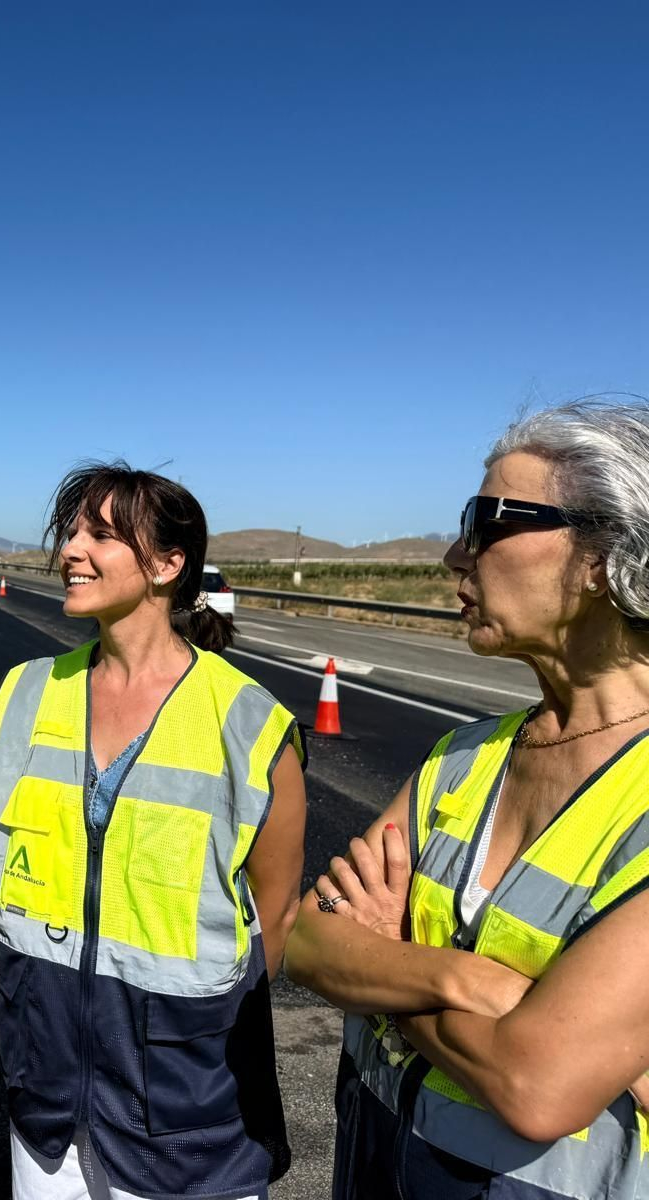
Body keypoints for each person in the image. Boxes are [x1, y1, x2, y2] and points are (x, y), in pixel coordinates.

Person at [286, 400, 649, 1198]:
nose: (456, 554)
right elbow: (308, 943)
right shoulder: (463, 755)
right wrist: (468, 981)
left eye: (487, 524)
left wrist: (386, 961)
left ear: (602, 555)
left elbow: (538, 1086)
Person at [0, 462, 307, 1200]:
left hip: (187, 1117)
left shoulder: (249, 723)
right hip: (47, 1100)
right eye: (70, 531)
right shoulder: (25, 693)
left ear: (167, 565)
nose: (70, 549)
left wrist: (192, 1029)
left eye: (99, 534)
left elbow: (276, 914)